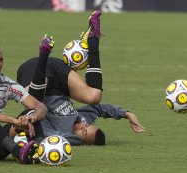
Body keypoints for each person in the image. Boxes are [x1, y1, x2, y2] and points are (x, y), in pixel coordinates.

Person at [15, 11, 145, 146]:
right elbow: (99, 109)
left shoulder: (59, 134)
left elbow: (37, 129)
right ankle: (93, 39)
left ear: (80, 140)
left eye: (83, 133)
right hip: (58, 75)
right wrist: (126, 114)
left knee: (34, 102)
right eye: (86, 126)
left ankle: (43, 54)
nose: (82, 127)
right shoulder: (83, 119)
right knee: (94, 97)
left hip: (33, 72)